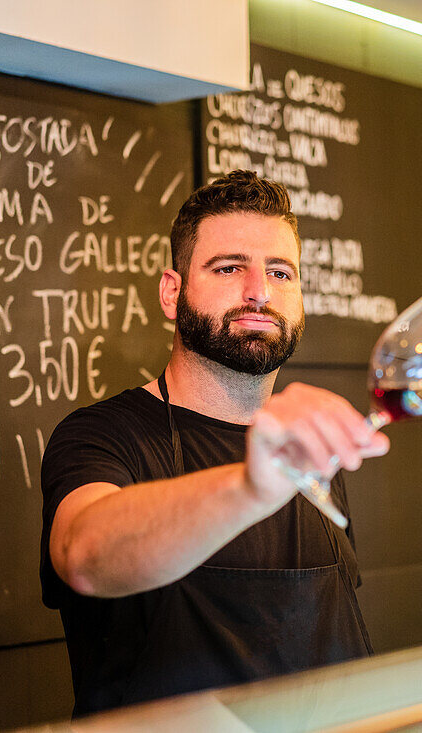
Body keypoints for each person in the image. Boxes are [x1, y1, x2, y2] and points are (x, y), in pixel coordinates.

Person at [39, 170, 389, 717]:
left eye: (280, 272)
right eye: (229, 268)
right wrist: (250, 486)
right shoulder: (104, 435)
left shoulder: (309, 449)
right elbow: (84, 554)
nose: (259, 291)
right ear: (172, 293)